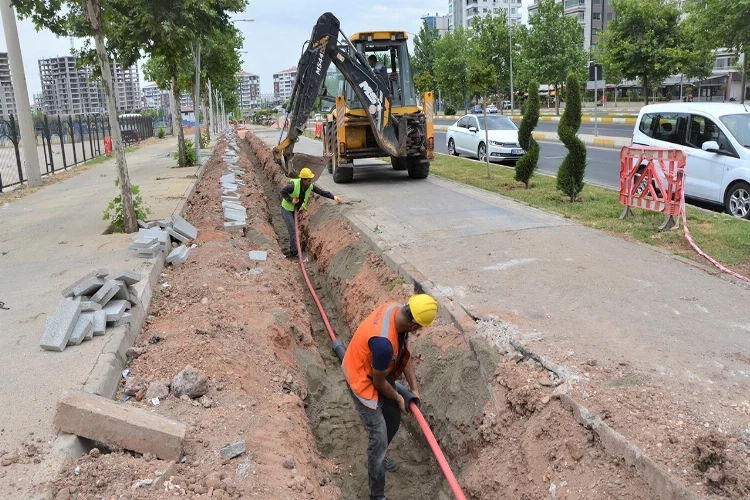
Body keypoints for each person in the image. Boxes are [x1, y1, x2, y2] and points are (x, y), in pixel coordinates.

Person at [342, 294, 439, 500]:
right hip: (362, 379)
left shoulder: (396, 311)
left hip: (378, 370)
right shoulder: (383, 343)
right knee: (378, 437)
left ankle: (382, 456)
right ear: (415, 327)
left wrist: (414, 389)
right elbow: (378, 384)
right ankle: (377, 495)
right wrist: (398, 397)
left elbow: (403, 354)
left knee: (393, 419)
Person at [280, 167, 342, 258]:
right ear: (303, 180)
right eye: (308, 181)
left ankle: (294, 249)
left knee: (295, 231)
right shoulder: (292, 185)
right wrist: (291, 200)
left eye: (310, 180)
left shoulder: (309, 186)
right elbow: (282, 192)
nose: (310, 182)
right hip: (286, 210)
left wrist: (334, 197)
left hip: (294, 210)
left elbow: (322, 192)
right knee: (293, 231)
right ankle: (294, 253)